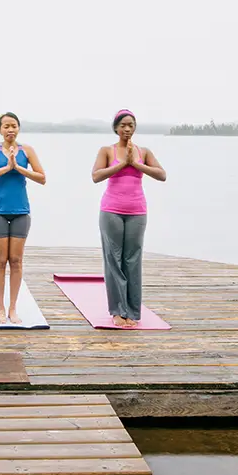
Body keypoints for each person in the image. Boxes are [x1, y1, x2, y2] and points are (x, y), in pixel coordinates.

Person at [91, 109, 166, 327]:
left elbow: (162, 175)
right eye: (123, 125)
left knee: (132, 260)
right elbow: (96, 176)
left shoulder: (143, 151)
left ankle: (132, 311)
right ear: (116, 128)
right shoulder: (107, 151)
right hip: (111, 210)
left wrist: (136, 164)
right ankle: (117, 310)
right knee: (113, 259)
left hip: (137, 211)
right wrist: (123, 164)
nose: (127, 129)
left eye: (131, 125)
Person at [0, 112, 46, 324]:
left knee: (15, 261)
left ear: (19, 128)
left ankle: (13, 308)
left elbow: (42, 178)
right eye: (6, 126)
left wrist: (19, 168)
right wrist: (6, 168)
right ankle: (0, 307)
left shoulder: (27, 151)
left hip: (21, 211)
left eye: (13, 125)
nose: (10, 130)